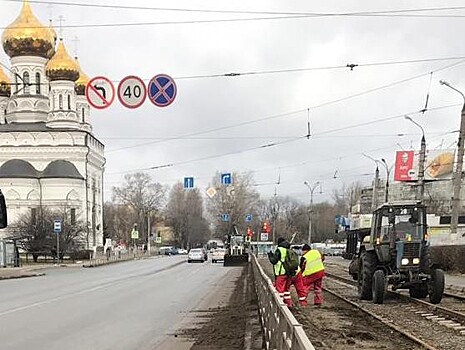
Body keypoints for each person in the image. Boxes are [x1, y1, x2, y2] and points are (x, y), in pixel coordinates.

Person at [267, 237, 293, 306]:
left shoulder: (279, 250)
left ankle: (279, 305)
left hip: (281, 273)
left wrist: (270, 256)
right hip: (289, 273)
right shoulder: (288, 249)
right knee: (286, 290)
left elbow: (274, 261)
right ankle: (288, 304)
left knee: (280, 290)